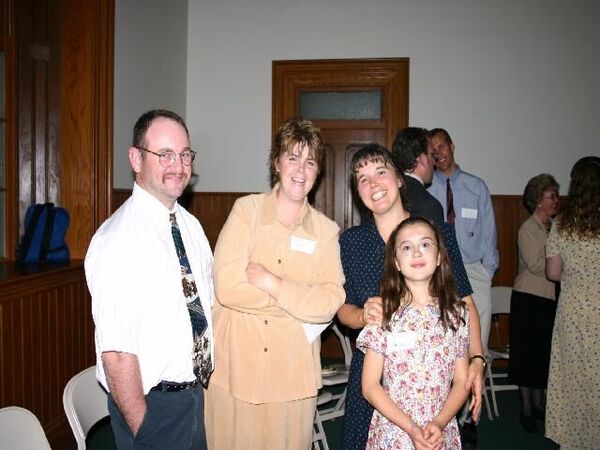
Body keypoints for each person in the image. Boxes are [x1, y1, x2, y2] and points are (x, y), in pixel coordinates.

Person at [205, 119, 345, 449]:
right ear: (276, 163)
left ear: (318, 170)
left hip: (291, 377)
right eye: (292, 157)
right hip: (234, 371)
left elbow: (330, 301)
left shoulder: (326, 232)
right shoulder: (247, 211)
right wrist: (298, 304)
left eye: (310, 161)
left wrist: (272, 282)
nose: (301, 169)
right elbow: (226, 285)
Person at [338, 144, 484, 450]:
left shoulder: (434, 233)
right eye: (362, 178)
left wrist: (477, 360)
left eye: (380, 172)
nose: (373, 184)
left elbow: (465, 303)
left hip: (432, 388)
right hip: (375, 380)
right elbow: (343, 310)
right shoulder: (352, 242)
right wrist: (363, 315)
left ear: (400, 179)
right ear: (357, 191)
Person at [85, 109, 214, 449]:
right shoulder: (118, 240)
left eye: (185, 154)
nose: (179, 165)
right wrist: (146, 431)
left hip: (194, 396)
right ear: (136, 159)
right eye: (165, 154)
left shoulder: (189, 225)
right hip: (152, 407)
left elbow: (204, 307)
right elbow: (116, 355)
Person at [359, 216, 470, 449]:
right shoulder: (384, 314)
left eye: (425, 244)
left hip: (440, 429)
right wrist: (410, 427)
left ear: (439, 257)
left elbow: (461, 381)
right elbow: (370, 386)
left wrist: (439, 422)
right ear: (396, 262)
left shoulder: (457, 314)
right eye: (406, 247)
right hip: (395, 430)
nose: (417, 253)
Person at [545, 157, 600, 450]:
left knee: (574, 378)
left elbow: (552, 272)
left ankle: (574, 441)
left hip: (574, 313)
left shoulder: (563, 223)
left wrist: (577, 276)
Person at [427, 128, 499, 355]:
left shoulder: (476, 187)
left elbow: (489, 231)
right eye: (433, 150)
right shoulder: (426, 190)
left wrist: (487, 271)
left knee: (478, 343)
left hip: (474, 271)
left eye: (442, 146)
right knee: (444, 340)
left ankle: (478, 389)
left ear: (452, 147)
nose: (438, 153)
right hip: (440, 271)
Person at [508, 174, 559, 433]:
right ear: (538, 200)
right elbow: (538, 265)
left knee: (541, 356)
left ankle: (539, 405)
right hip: (528, 299)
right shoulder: (528, 229)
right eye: (551, 196)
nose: (556, 201)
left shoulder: (553, 227)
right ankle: (527, 410)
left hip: (548, 299)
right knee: (527, 356)